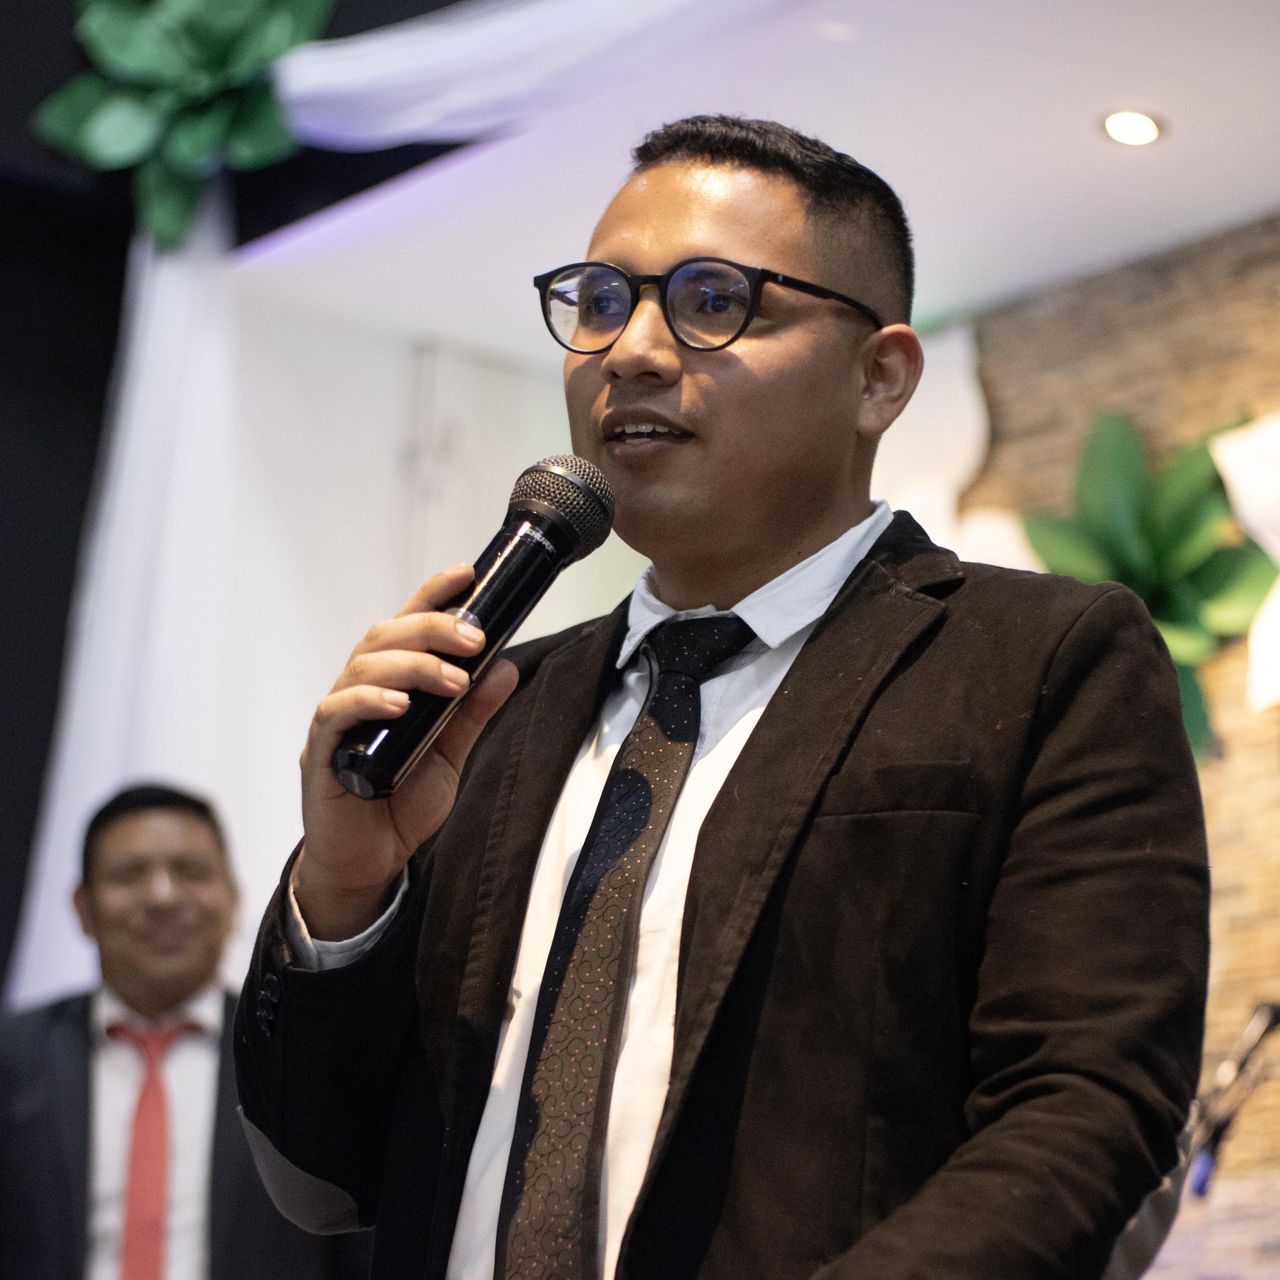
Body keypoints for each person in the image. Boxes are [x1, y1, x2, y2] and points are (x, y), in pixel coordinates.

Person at [234, 116, 1209, 1280]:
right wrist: (345, 892)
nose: (632, 351)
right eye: (600, 301)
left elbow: (1085, 1108)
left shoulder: (1034, 659)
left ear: (878, 376)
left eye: (712, 300)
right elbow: (325, 1174)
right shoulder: (488, 710)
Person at [0, 783, 372, 1280]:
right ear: (83, 908)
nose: (163, 896)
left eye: (190, 872)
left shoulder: (303, 1057)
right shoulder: (13, 1057)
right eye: (129, 874)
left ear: (233, 901)